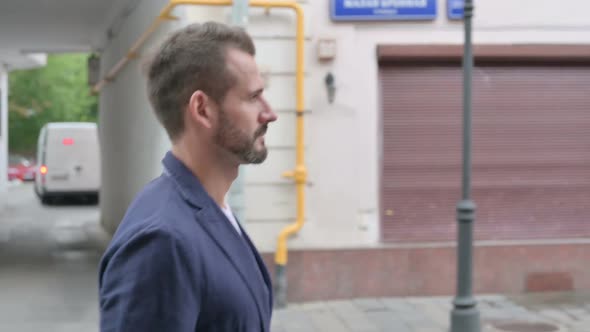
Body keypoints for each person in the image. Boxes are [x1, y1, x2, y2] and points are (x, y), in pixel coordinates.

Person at [98, 21, 278, 332]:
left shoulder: (208, 207)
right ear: (202, 109)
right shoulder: (161, 241)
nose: (269, 113)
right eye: (253, 97)